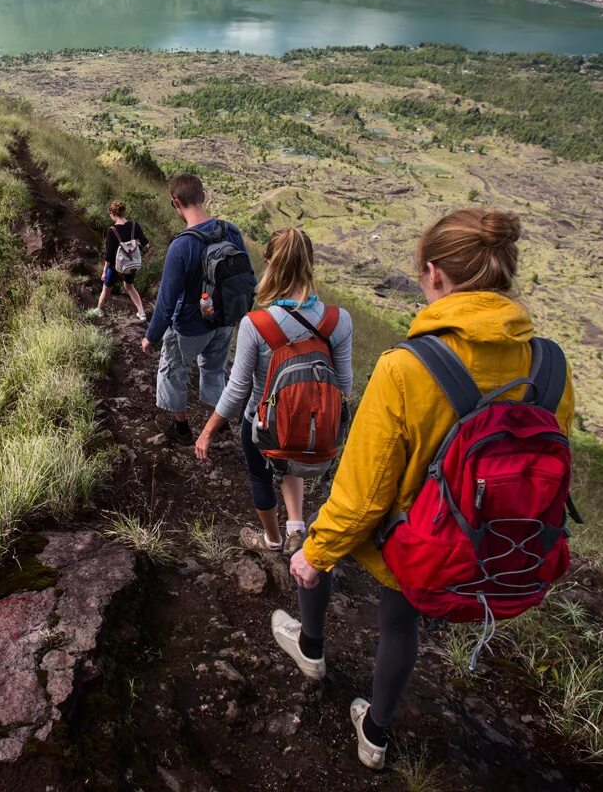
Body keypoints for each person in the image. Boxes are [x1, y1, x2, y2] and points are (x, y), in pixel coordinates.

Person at [273, 208, 575, 771]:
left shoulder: (406, 368)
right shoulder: (550, 365)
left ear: (435, 275)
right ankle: (376, 735)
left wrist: (316, 555)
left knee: (320, 542)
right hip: (488, 542)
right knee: (399, 622)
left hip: (412, 540)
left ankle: (310, 649)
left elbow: (362, 492)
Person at [193, 228, 352, 557]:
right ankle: (297, 527)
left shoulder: (257, 323)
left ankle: (273, 540)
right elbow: (345, 385)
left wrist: (207, 431)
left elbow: (237, 388)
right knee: (293, 454)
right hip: (313, 427)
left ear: (269, 263)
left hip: (262, 424)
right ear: (311, 264)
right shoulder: (339, 321)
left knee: (261, 476)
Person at [140, 173, 249, 445]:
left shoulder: (182, 245)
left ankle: (181, 429)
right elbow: (247, 279)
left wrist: (151, 336)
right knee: (214, 369)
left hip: (190, 326)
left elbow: (166, 301)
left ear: (175, 201)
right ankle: (220, 427)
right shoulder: (231, 231)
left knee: (172, 369)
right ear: (203, 196)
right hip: (225, 322)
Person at [93, 200, 149, 322]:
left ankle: (99, 310)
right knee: (129, 286)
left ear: (112, 213)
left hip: (115, 266)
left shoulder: (111, 231)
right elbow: (146, 244)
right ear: (123, 212)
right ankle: (142, 312)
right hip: (131, 264)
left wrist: (104, 271)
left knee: (107, 287)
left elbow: (108, 256)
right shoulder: (135, 226)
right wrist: (137, 249)